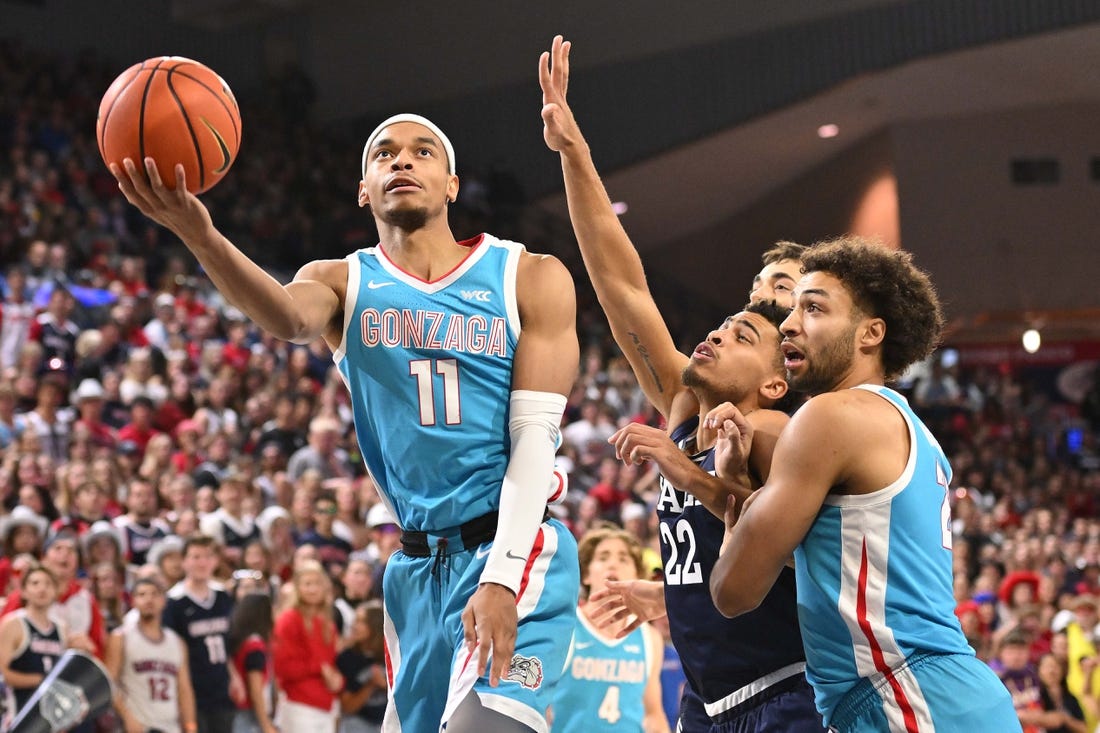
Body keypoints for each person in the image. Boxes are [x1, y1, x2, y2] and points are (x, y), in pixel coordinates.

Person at [112, 99, 581, 731]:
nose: (402, 161)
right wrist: (202, 235)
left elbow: (534, 440)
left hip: (512, 547)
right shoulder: (342, 282)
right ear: (364, 190)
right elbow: (282, 315)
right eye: (384, 154)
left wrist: (500, 577)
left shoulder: (527, 276)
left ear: (452, 185)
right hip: (415, 569)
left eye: (422, 151)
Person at [540, 36, 821, 731]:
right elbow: (619, 284)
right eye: (753, 294)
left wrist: (680, 468)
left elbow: (754, 524)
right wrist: (575, 152)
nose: (757, 305)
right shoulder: (689, 402)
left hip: (782, 688)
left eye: (781, 296)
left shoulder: (791, 427)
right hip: (706, 694)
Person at [708, 237, 1021, 730]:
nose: (789, 323)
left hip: (905, 695)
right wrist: (740, 492)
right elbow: (840, 561)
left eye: (812, 308)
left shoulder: (829, 415)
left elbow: (733, 591)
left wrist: (734, 525)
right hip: (939, 693)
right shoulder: (909, 427)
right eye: (792, 309)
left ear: (870, 333)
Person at [551, 526, 669, 733]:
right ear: (586, 574)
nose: (613, 563)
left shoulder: (649, 637)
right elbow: (541, 708)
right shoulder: (565, 627)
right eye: (603, 558)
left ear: (636, 575)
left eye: (624, 559)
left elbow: (653, 714)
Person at [162, 534, 238, 733]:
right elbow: (172, 651)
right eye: (195, 557)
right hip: (192, 691)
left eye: (207, 556)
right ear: (184, 561)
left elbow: (226, 642)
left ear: (215, 561)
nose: (202, 562)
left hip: (221, 688)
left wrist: (234, 676)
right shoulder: (174, 601)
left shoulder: (222, 595)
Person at [105, 576, 198, 733]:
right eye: (142, 594)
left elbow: (184, 689)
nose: (149, 599)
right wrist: (128, 718)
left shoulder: (177, 642)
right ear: (133, 601)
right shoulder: (121, 637)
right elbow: (109, 683)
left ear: (164, 601)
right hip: (139, 726)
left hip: (171, 727)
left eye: (154, 594)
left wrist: (190, 726)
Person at [272, 559, 341, 731]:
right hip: (298, 706)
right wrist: (320, 668)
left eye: (317, 583)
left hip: (327, 704)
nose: (312, 589)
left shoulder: (327, 622)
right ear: (297, 587)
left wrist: (337, 679)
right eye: (307, 584)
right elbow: (283, 667)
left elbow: (330, 663)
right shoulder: (288, 619)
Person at [0, 566, 65, 718]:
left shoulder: (61, 629)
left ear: (56, 591)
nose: (42, 588)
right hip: (16, 713)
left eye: (48, 584)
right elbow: (2, 673)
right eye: (35, 583)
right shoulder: (14, 624)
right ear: (23, 591)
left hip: (49, 715)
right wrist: (41, 681)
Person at [228, 591, 278, 733]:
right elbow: (255, 690)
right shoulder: (255, 646)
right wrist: (267, 725)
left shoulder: (241, 641)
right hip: (248, 715)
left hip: (237, 713)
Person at [335, 600, 387, 733]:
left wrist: (386, 685)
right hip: (356, 725)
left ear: (375, 626)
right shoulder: (346, 658)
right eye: (355, 621)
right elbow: (347, 707)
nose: (354, 626)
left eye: (361, 621)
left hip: (387, 723)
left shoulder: (391, 656)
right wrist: (371, 685)